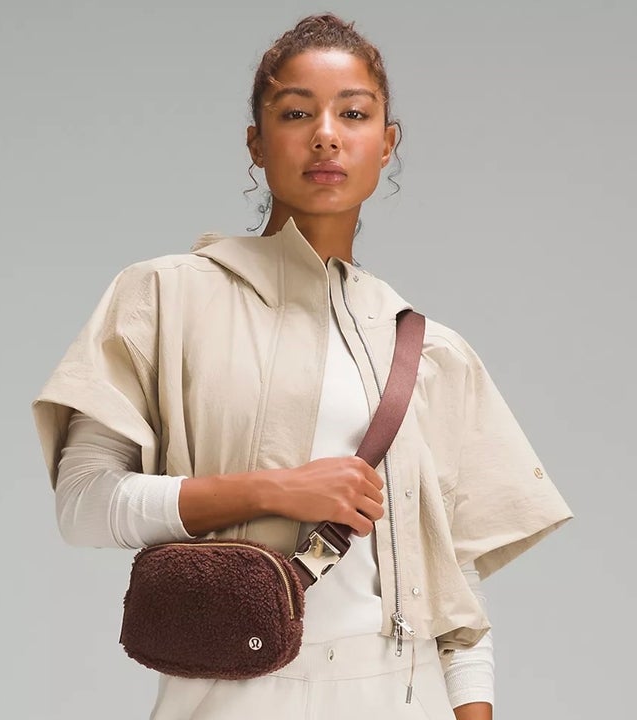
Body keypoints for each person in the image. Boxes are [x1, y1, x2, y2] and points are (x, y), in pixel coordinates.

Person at [31, 13, 573, 720]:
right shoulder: (164, 298)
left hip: (403, 693)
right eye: (295, 113)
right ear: (256, 143)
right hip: (232, 695)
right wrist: (274, 490)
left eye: (354, 113)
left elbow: (456, 592)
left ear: (387, 144)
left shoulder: (427, 351)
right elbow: (83, 506)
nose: (326, 135)